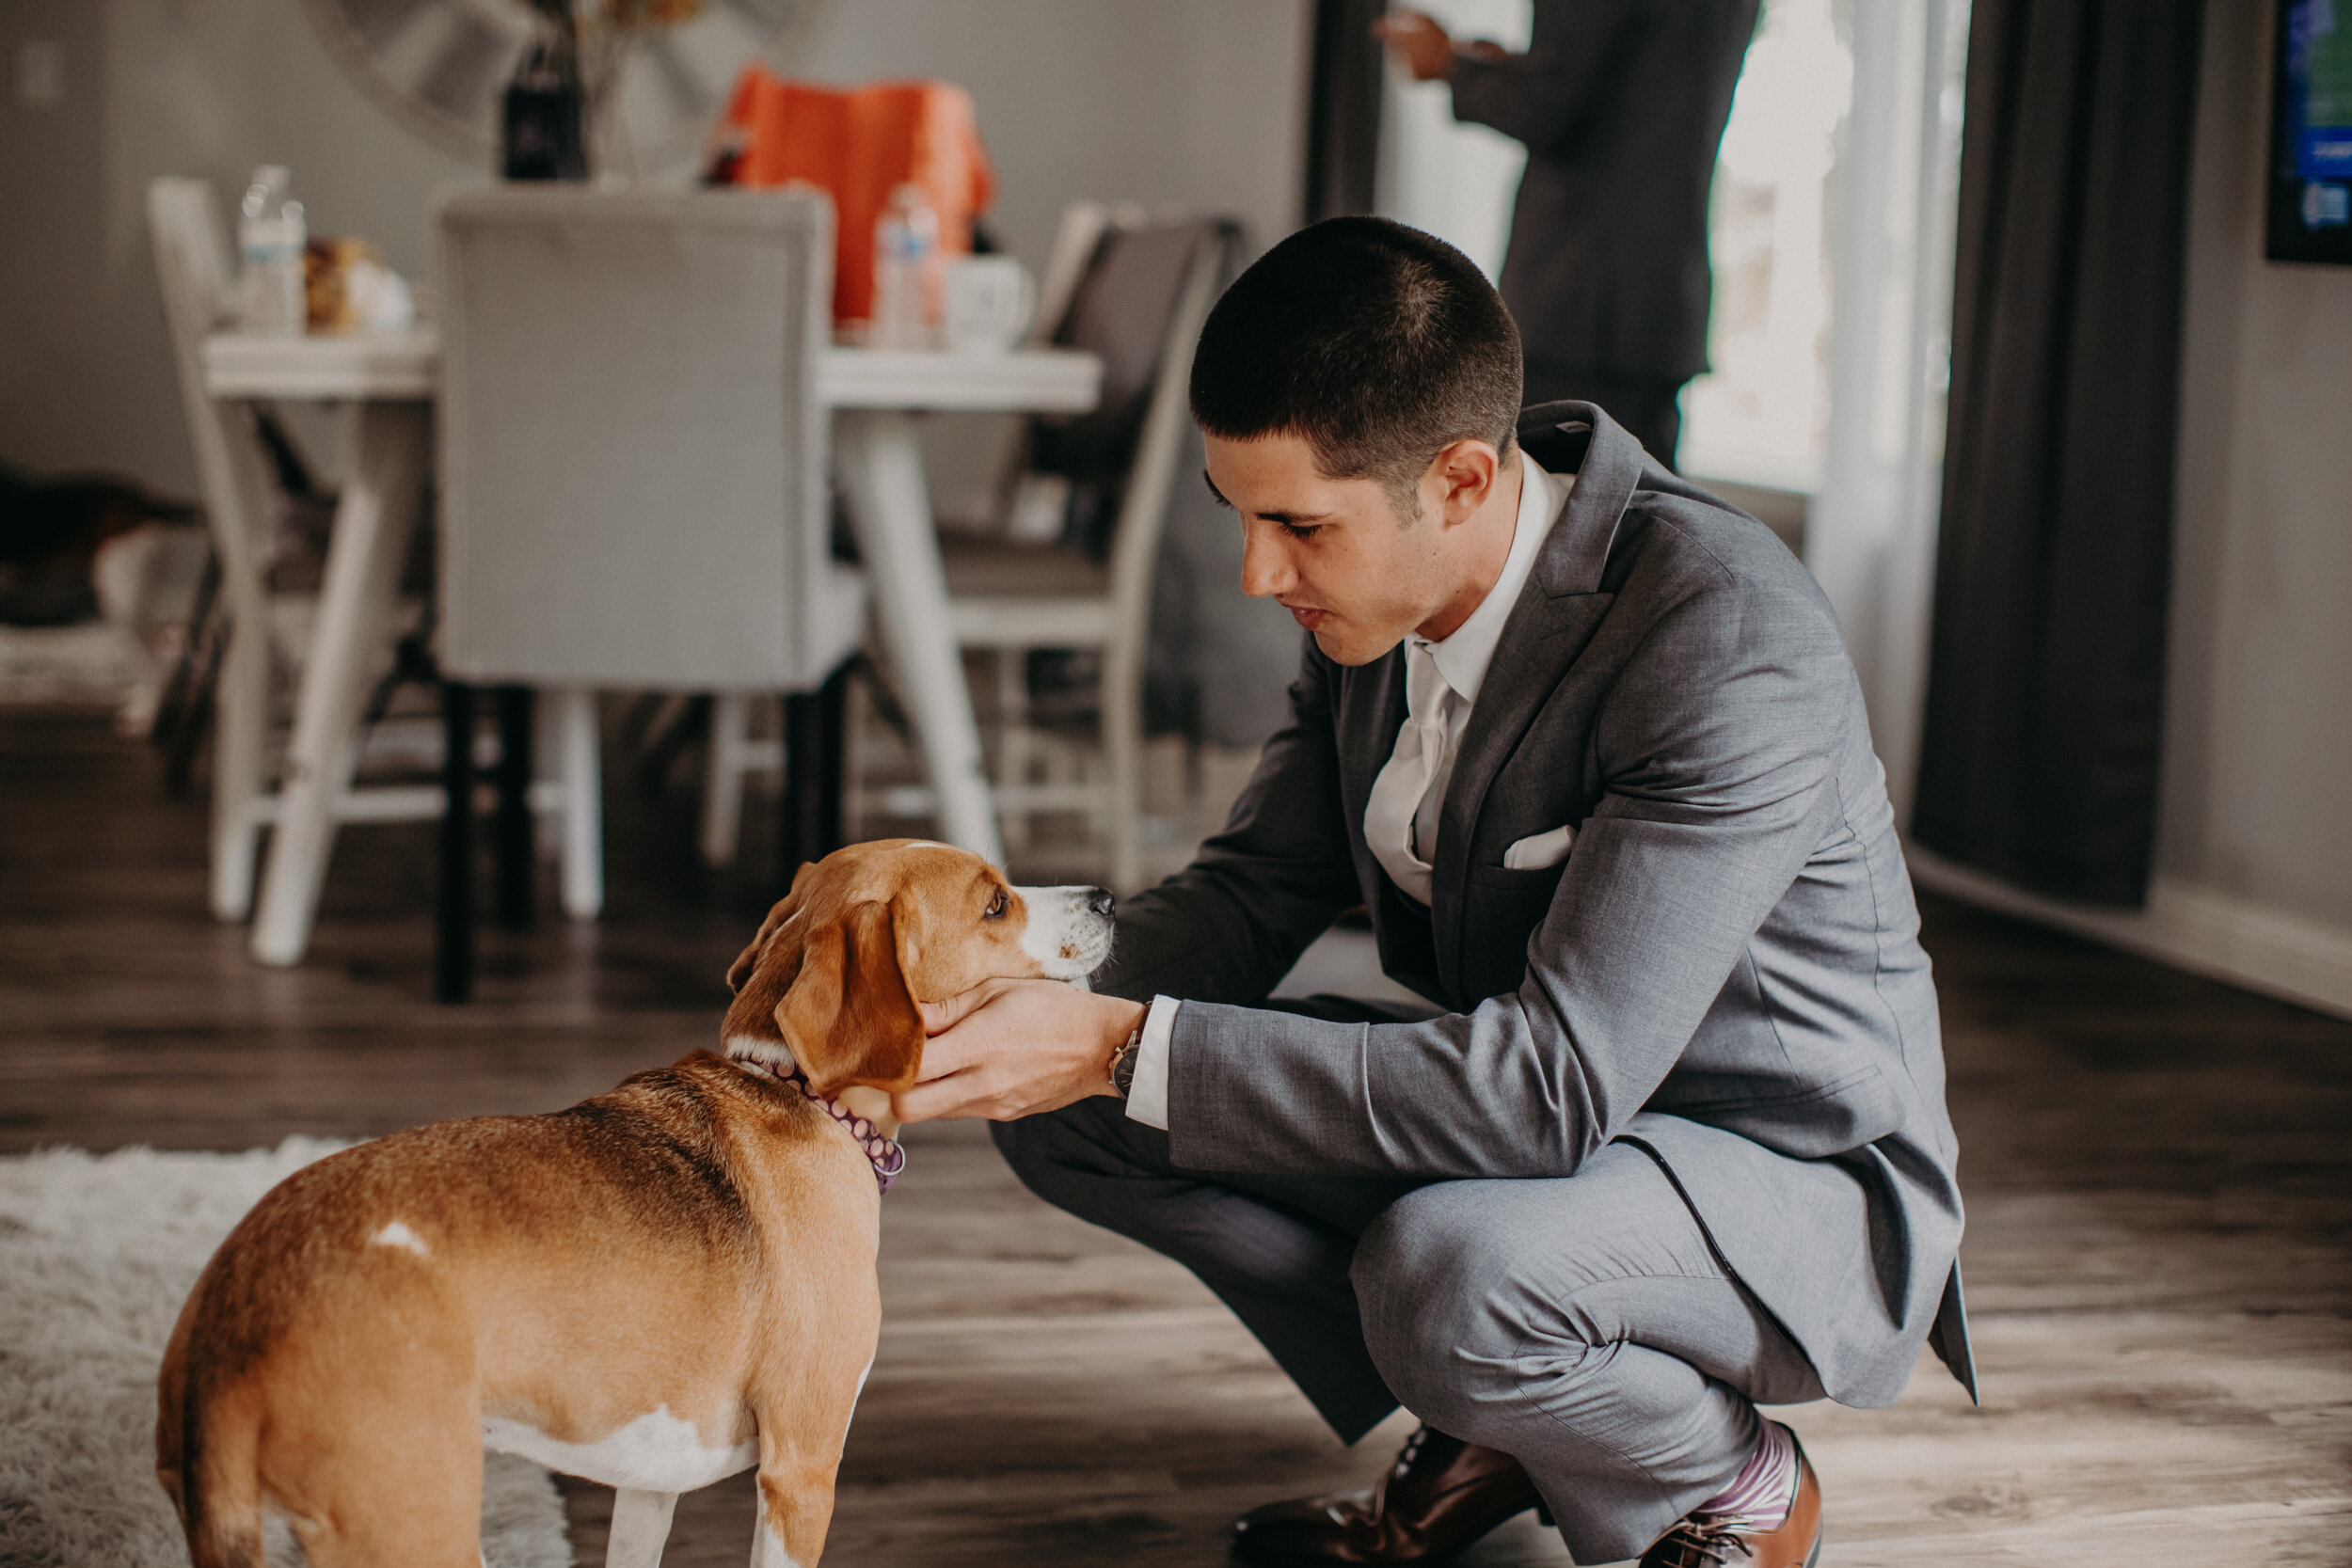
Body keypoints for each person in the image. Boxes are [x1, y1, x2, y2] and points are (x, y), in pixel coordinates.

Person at [896, 218, 1972, 1568]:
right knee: (1071, 1114)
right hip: (1546, 1127)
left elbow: (1547, 1090)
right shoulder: (1375, 603)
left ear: (1460, 479)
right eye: (1240, 515)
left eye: (1296, 525)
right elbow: (1247, 897)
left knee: (1440, 1269)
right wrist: (998, 1007)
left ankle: (1724, 1472)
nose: (1257, 573)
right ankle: (1499, 1418)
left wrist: (1114, 1040)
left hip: (1773, 1172)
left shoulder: (1719, 633)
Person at [1374, 2, 1760, 468]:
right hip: (1658, 298)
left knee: (1561, 516)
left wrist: (1449, 65)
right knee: (1641, 522)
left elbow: (1545, 107)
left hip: (1579, 298)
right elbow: (1642, 94)